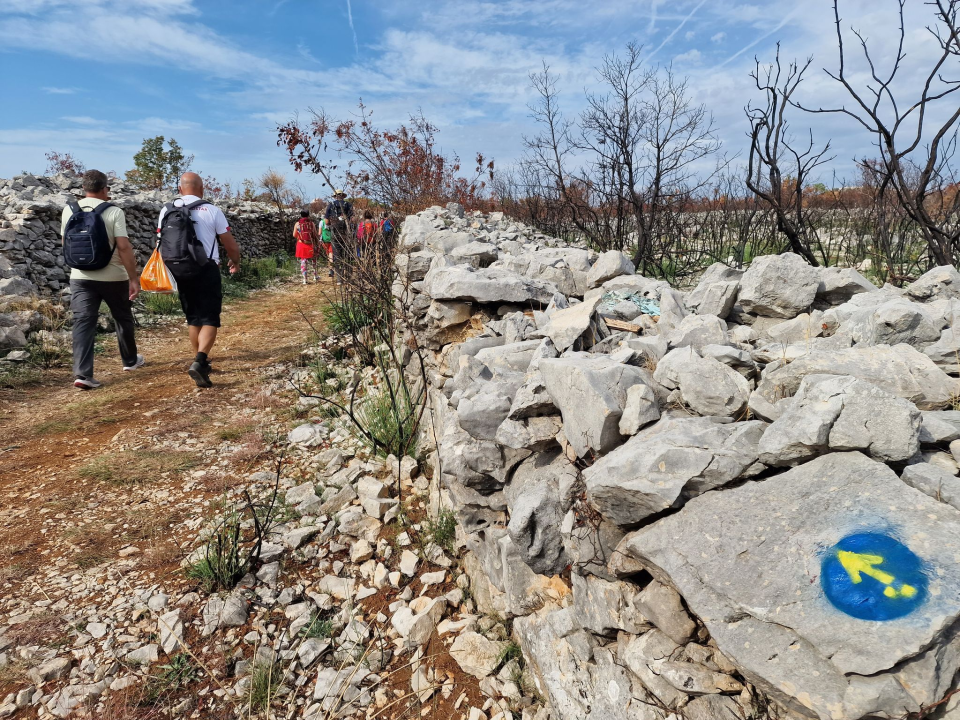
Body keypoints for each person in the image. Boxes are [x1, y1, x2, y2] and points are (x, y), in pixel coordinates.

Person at [62, 169, 144, 390]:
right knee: (122, 317)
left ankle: (83, 374)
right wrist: (133, 279)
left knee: (83, 322)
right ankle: (130, 361)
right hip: (113, 277)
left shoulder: (69, 210)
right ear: (105, 188)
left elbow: (65, 243)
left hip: (80, 276)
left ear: (84, 188)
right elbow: (124, 247)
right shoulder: (114, 211)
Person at [157, 172, 241, 388]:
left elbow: (159, 241)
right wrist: (235, 261)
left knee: (193, 318)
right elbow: (229, 243)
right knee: (210, 317)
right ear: (201, 189)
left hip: (178, 268)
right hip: (206, 267)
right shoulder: (212, 210)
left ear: (180, 188)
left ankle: (200, 359)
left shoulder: (167, 210)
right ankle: (201, 360)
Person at [324, 189, 353, 284]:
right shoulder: (348, 205)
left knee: (336, 255)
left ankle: (339, 279)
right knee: (347, 254)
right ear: (343, 196)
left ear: (335, 196)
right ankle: (347, 276)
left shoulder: (330, 205)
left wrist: (331, 225)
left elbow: (326, 221)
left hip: (335, 232)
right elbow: (352, 219)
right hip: (346, 232)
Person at [293, 210, 319, 284]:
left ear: (301, 215)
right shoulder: (311, 223)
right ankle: (315, 276)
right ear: (308, 215)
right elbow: (315, 234)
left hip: (301, 244)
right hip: (310, 244)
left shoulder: (297, 224)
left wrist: (300, 236)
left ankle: (305, 279)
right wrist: (317, 243)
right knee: (314, 260)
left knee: (303, 261)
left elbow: (294, 235)